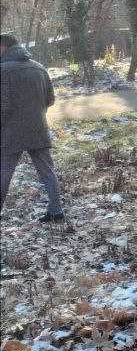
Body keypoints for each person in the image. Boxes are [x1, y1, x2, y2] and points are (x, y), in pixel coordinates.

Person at [0, 33, 65, 223]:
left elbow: (2, 106)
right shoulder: (40, 68)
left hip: (11, 132)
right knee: (47, 171)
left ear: (4, 47)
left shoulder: (2, 70)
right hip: (38, 129)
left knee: (4, 173)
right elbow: (50, 100)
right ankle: (56, 211)